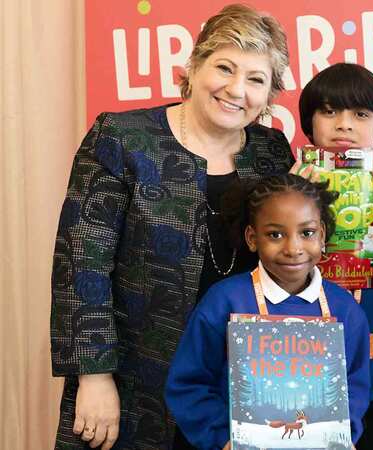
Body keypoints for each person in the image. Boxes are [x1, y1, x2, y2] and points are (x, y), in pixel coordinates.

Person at [49, 4, 294, 449]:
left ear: (270, 93)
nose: (236, 89)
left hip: (237, 381)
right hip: (134, 378)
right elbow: (81, 263)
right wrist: (94, 375)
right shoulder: (123, 138)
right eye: (224, 67)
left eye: (256, 79)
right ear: (194, 66)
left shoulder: (272, 152)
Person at [164, 173, 371, 449]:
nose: (293, 248)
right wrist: (223, 438)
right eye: (275, 234)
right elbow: (188, 384)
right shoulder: (225, 302)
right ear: (252, 238)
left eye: (306, 233)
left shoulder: (345, 310)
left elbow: (355, 387)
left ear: (321, 235)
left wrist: (345, 433)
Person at [296, 62, 373, 450]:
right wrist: (290, 209)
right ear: (310, 123)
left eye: (360, 114)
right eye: (329, 111)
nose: (343, 125)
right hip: (306, 378)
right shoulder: (285, 192)